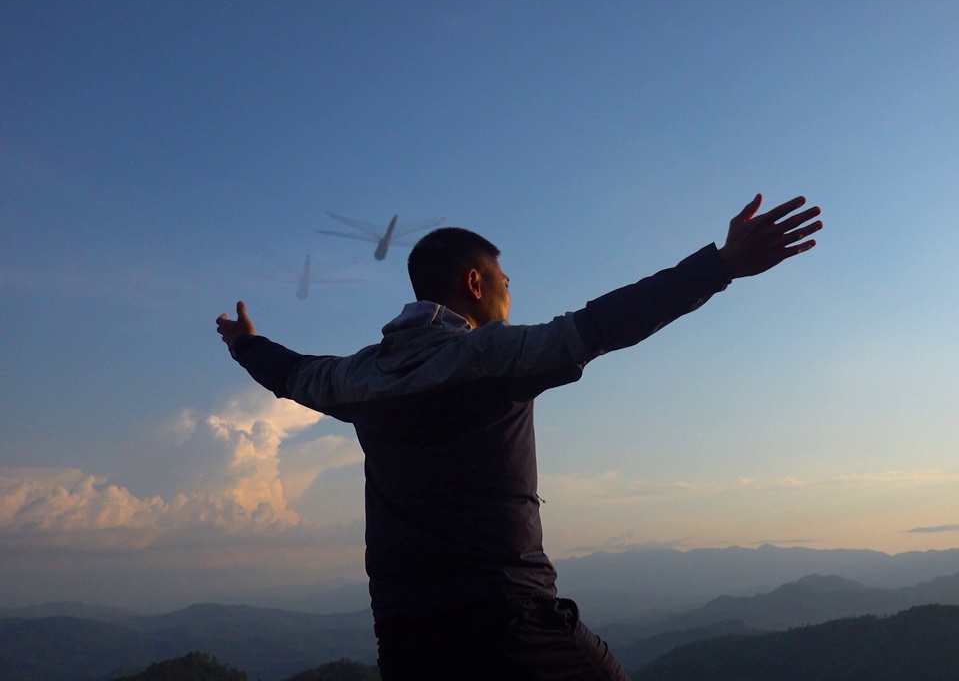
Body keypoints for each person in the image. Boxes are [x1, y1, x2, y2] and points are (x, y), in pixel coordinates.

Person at [216, 194, 822, 680]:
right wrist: (720, 267)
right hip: (510, 620)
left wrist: (245, 344)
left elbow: (292, 375)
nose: (511, 291)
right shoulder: (492, 355)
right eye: (504, 279)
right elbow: (605, 323)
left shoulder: (356, 377)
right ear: (475, 284)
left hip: (402, 635)